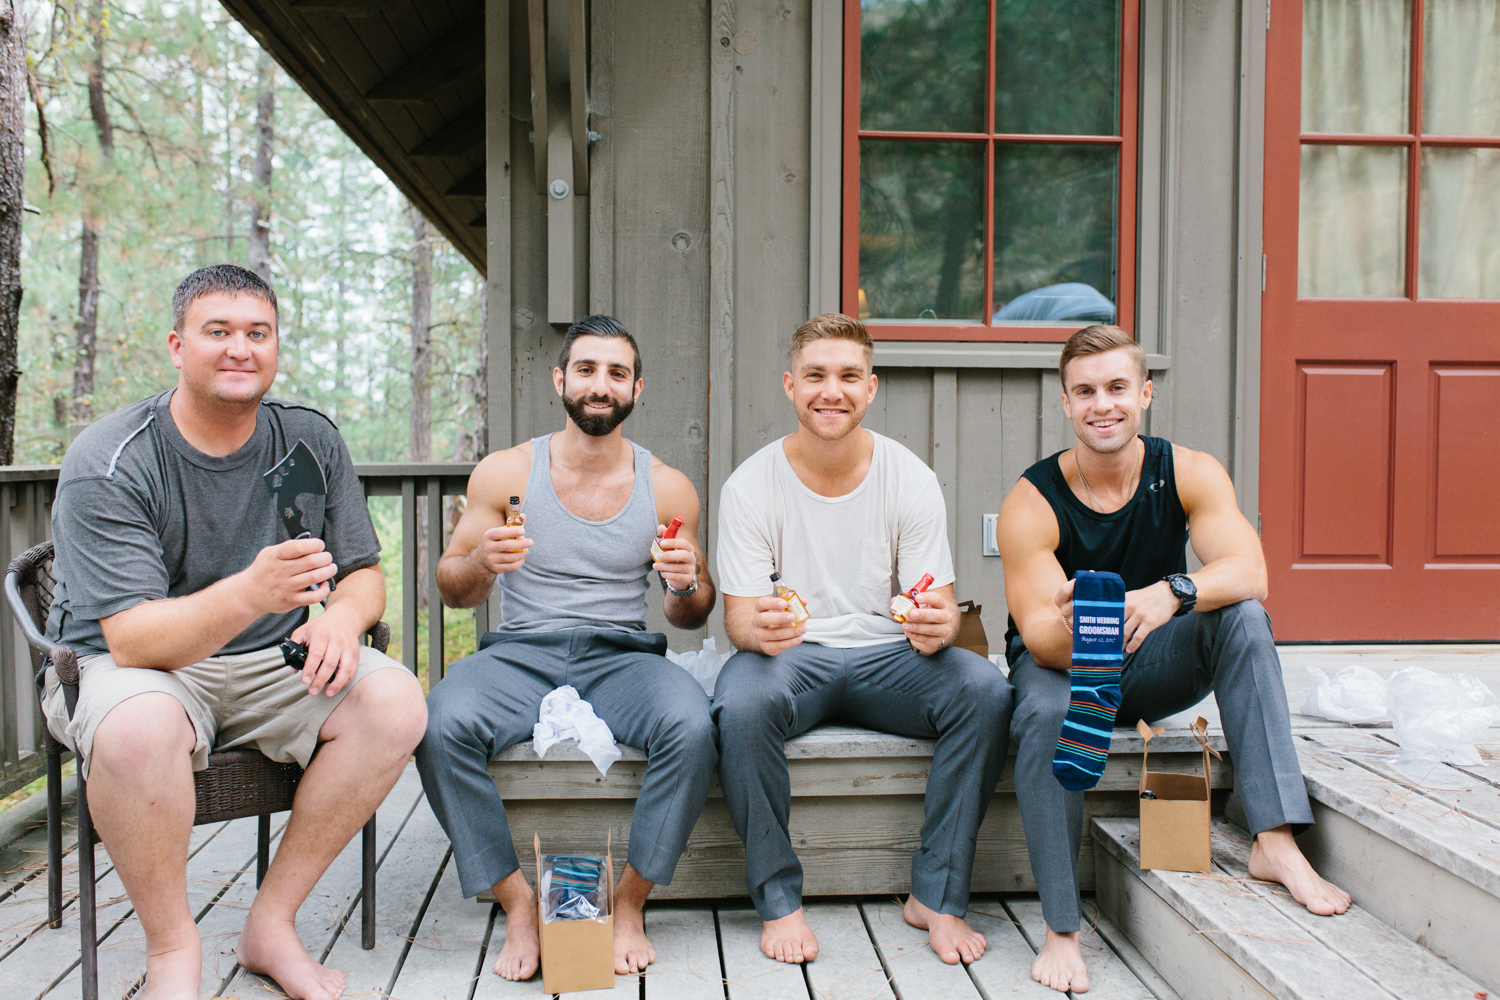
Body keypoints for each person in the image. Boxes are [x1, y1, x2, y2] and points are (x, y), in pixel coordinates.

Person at [41, 264, 427, 1000]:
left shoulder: (307, 438)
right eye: (217, 332)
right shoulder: (113, 457)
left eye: (257, 333)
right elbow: (132, 641)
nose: (239, 349)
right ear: (177, 346)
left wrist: (343, 619)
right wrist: (252, 591)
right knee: (139, 728)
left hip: (267, 666)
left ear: (277, 346)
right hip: (128, 669)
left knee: (397, 700)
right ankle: (172, 951)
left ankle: (271, 924)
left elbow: (363, 573)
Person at [996, 324, 1352, 994]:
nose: (1103, 404)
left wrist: (1171, 592)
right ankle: (1062, 927)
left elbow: (1251, 572)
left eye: (1117, 388)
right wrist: (1090, 626)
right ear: (1065, 405)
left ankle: (1274, 838)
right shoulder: (1032, 500)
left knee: (1243, 618)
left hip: (1150, 657)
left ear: (1145, 394)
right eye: (1086, 391)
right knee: (1045, 717)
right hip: (1063, 673)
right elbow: (1041, 634)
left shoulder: (1187, 470)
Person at [416, 314, 718, 982]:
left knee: (693, 725)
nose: (599, 385)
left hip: (623, 656)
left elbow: (691, 613)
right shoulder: (505, 473)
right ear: (561, 380)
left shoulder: (665, 486)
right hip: (520, 652)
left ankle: (629, 902)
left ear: (637, 388)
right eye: (586, 369)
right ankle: (518, 903)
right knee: (438, 723)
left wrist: (686, 579)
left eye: (616, 373)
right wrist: (483, 564)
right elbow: (452, 585)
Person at [712, 313, 1014, 966]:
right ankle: (778, 899)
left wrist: (938, 625)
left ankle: (936, 894)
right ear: (790, 385)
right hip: (792, 658)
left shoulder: (909, 478)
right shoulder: (749, 487)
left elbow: (935, 603)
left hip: (889, 658)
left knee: (986, 689)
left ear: (871, 388)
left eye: (849, 376)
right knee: (739, 704)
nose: (832, 390)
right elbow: (738, 621)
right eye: (816, 375)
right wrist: (758, 630)